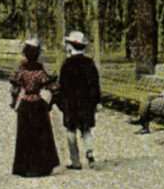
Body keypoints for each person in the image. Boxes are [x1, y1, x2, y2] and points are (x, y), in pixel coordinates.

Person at [9, 38, 60, 177]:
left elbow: (15, 89)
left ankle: (25, 167)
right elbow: (53, 88)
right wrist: (50, 102)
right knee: (41, 136)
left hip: (25, 105)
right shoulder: (41, 71)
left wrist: (14, 103)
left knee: (25, 136)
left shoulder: (21, 70)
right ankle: (41, 167)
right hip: (38, 105)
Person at [54, 30, 101, 169]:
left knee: (71, 131)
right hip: (86, 102)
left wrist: (60, 101)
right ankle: (90, 153)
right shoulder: (89, 63)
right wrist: (97, 101)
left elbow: (62, 85)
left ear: (70, 46)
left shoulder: (67, 64)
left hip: (71, 103)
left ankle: (75, 161)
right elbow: (95, 83)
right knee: (86, 130)